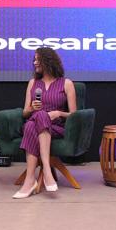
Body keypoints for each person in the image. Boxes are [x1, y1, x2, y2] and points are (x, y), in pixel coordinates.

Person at [13, 47, 77, 199]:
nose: (34, 63)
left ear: (48, 61)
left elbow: (75, 115)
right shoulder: (33, 83)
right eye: (34, 60)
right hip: (35, 121)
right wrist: (32, 108)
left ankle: (30, 181)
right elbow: (25, 112)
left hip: (56, 127)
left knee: (31, 125)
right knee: (36, 118)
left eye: (38, 59)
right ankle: (46, 170)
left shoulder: (66, 83)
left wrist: (59, 113)